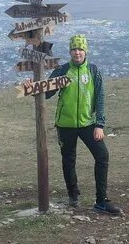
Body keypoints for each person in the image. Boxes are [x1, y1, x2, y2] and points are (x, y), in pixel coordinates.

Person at [45, 34, 122, 215]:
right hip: (65, 124)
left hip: (88, 123)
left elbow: (100, 98)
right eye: (74, 49)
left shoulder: (93, 71)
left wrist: (100, 125)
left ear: (85, 51)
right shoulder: (63, 70)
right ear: (70, 51)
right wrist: (33, 87)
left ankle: (101, 201)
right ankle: (73, 196)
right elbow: (46, 94)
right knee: (68, 160)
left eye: (80, 49)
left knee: (102, 156)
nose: (77, 52)